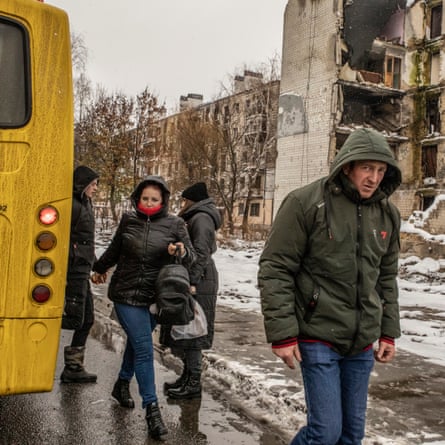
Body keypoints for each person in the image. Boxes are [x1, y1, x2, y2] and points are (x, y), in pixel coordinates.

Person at [258, 128, 402, 445]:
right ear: (347, 165)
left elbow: (386, 276)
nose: (374, 178)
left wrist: (388, 331)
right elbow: (276, 267)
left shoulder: (388, 214)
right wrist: (282, 333)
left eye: (381, 170)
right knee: (324, 433)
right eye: (367, 167)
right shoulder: (306, 203)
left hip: (362, 342)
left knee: (352, 436)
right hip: (318, 334)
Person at [91, 175, 195, 440]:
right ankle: (152, 410)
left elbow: (192, 257)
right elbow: (115, 250)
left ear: (163, 201)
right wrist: (99, 268)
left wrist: (180, 251)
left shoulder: (175, 224)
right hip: (125, 295)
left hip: (154, 298)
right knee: (145, 349)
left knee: (138, 345)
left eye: (154, 199)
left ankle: (122, 384)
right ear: (138, 199)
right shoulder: (128, 220)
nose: (149, 203)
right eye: (145, 198)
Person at [160, 182, 222, 400]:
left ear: (192, 201)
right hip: (197, 277)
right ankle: (187, 378)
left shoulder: (201, 218)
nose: (182, 204)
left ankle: (193, 383)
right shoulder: (197, 216)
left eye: (185, 200)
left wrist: (192, 280)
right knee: (188, 329)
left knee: (195, 331)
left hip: (201, 279)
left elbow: (201, 253)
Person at [61, 165, 100, 384]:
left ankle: (73, 367)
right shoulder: (73, 205)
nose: (95, 188)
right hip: (73, 270)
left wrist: (95, 265)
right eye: (93, 184)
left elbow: (85, 241)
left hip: (82, 268)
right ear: (82, 184)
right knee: (76, 319)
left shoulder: (86, 204)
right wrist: (74, 261)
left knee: (87, 320)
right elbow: (65, 238)